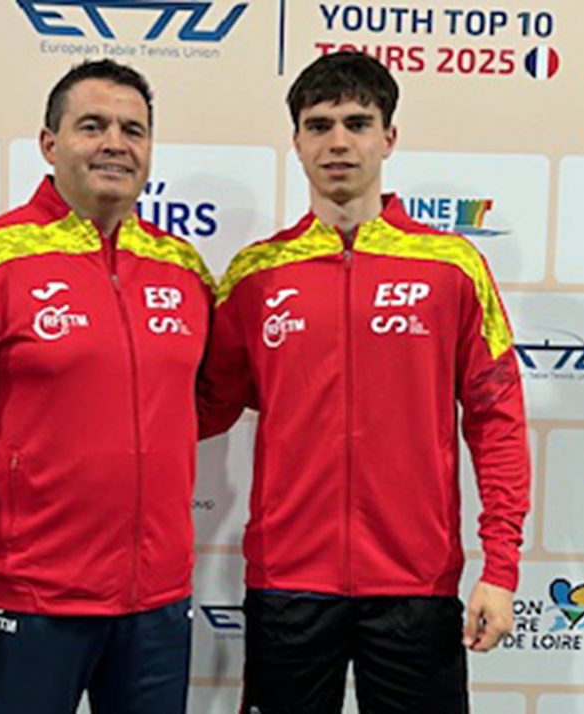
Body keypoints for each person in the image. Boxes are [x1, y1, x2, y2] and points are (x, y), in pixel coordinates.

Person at [198, 51, 531, 714]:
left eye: (357, 123)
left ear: (389, 137)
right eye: (319, 126)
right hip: (289, 584)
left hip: (415, 584)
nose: (339, 142)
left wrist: (500, 567)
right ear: (296, 142)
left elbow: (497, 420)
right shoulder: (255, 275)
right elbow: (201, 407)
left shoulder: (451, 266)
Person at [0, 59, 214, 714]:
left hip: (156, 610)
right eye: (92, 126)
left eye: (133, 130)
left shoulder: (183, 270)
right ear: (49, 143)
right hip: (27, 605)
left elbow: (206, 403)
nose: (115, 143)